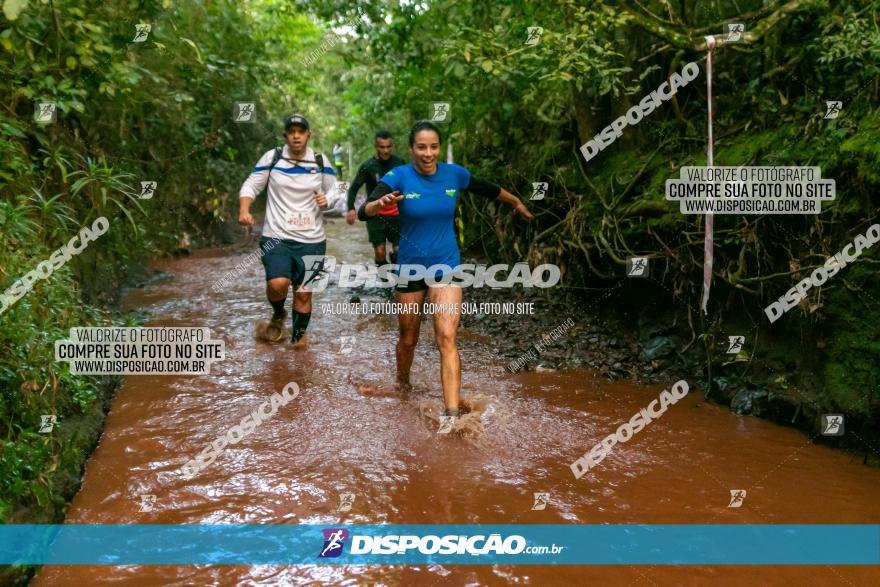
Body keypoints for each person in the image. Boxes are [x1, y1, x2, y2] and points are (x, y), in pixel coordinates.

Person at [358, 120, 534, 419]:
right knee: (408, 338)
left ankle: (452, 414)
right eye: (421, 147)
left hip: (447, 266)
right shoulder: (398, 175)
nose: (428, 154)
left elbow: (487, 188)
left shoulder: (454, 174)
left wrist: (515, 201)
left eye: (434, 147)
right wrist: (378, 204)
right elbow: (366, 208)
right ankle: (402, 383)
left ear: (439, 148)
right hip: (410, 269)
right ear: (412, 148)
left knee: (447, 337)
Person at [238, 113, 337, 346]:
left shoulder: (320, 161)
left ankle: (298, 341)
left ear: (308, 135)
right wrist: (244, 209)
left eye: (300, 132)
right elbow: (252, 183)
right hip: (277, 237)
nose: (295, 136)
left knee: (303, 293)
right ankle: (279, 312)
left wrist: (328, 200)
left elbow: (337, 189)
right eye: (291, 131)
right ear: (286, 135)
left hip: (312, 239)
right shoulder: (273, 157)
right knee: (277, 285)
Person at [346, 131, 405, 264]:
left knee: (400, 251)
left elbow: (407, 185)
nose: (385, 150)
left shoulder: (399, 163)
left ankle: (397, 278)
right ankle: (385, 283)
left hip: (396, 215)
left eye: (388, 147)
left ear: (392, 146)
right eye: (382, 147)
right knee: (379, 253)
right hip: (375, 215)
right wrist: (351, 209)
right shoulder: (368, 166)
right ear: (376, 147)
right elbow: (354, 188)